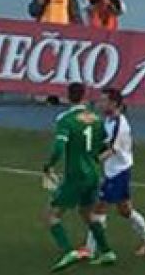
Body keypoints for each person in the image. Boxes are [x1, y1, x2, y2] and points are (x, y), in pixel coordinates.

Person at [43, 82, 115, 271]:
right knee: (87, 213)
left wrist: (48, 166)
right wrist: (92, 161)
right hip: (93, 174)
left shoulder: (65, 119)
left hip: (76, 175)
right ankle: (107, 251)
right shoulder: (97, 119)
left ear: (67, 96)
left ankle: (68, 251)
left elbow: (59, 147)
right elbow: (106, 149)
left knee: (52, 215)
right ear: (85, 96)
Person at [84, 89, 145, 257]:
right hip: (118, 170)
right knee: (125, 210)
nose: (100, 103)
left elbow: (112, 149)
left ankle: (90, 249)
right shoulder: (109, 120)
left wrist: (92, 161)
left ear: (114, 103)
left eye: (104, 101)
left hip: (117, 173)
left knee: (98, 209)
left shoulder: (120, 124)